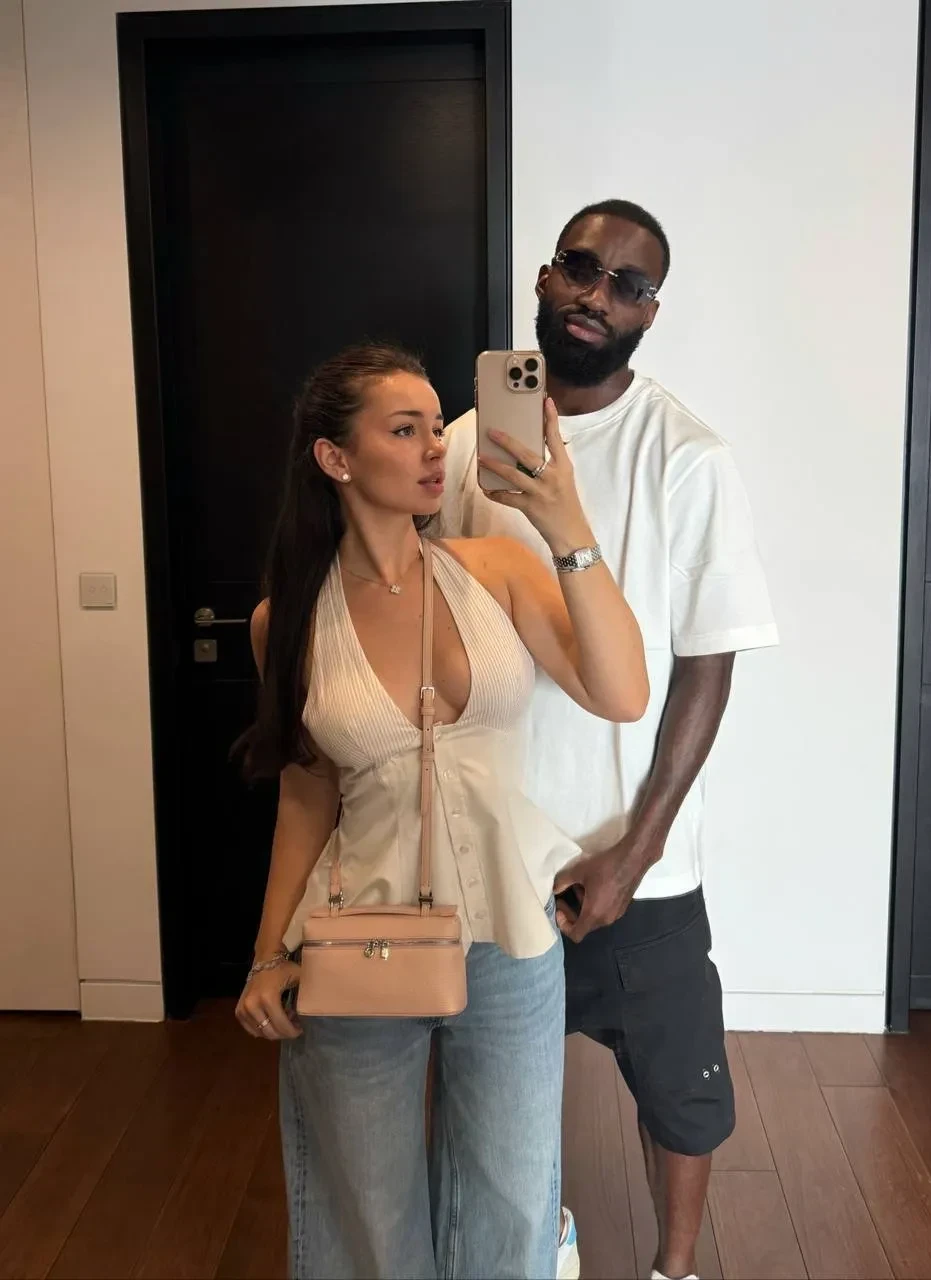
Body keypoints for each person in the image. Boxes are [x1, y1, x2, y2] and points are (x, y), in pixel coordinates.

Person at [235, 342, 648, 1280]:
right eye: (404, 429)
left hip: (510, 936)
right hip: (356, 936)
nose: (435, 448)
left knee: (513, 1199)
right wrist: (267, 955)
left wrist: (563, 519)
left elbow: (623, 693)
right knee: (365, 1215)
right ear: (335, 458)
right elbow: (306, 794)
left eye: (436, 425)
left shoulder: (497, 568)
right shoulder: (285, 621)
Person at [438, 199, 779, 1280]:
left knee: (682, 1092)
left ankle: (674, 1270)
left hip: (637, 862)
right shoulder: (463, 444)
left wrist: (637, 850)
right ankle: (534, 1242)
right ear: (546, 278)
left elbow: (708, 660)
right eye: (581, 268)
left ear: (650, 313)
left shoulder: (687, 456)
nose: (597, 295)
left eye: (628, 285)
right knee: (489, 1088)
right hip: (492, 854)